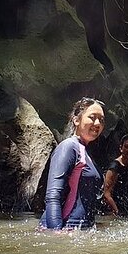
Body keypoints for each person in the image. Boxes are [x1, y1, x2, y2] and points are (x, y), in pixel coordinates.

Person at [39, 97, 105, 230]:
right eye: (92, 117)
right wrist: (56, 234)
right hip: (64, 231)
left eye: (101, 120)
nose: (97, 123)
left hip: (79, 233)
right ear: (76, 120)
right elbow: (53, 196)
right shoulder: (69, 147)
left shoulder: (86, 152)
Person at [103, 133, 128, 217]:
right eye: (127, 146)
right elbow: (106, 194)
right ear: (121, 148)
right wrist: (117, 212)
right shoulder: (115, 167)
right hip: (118, 212)